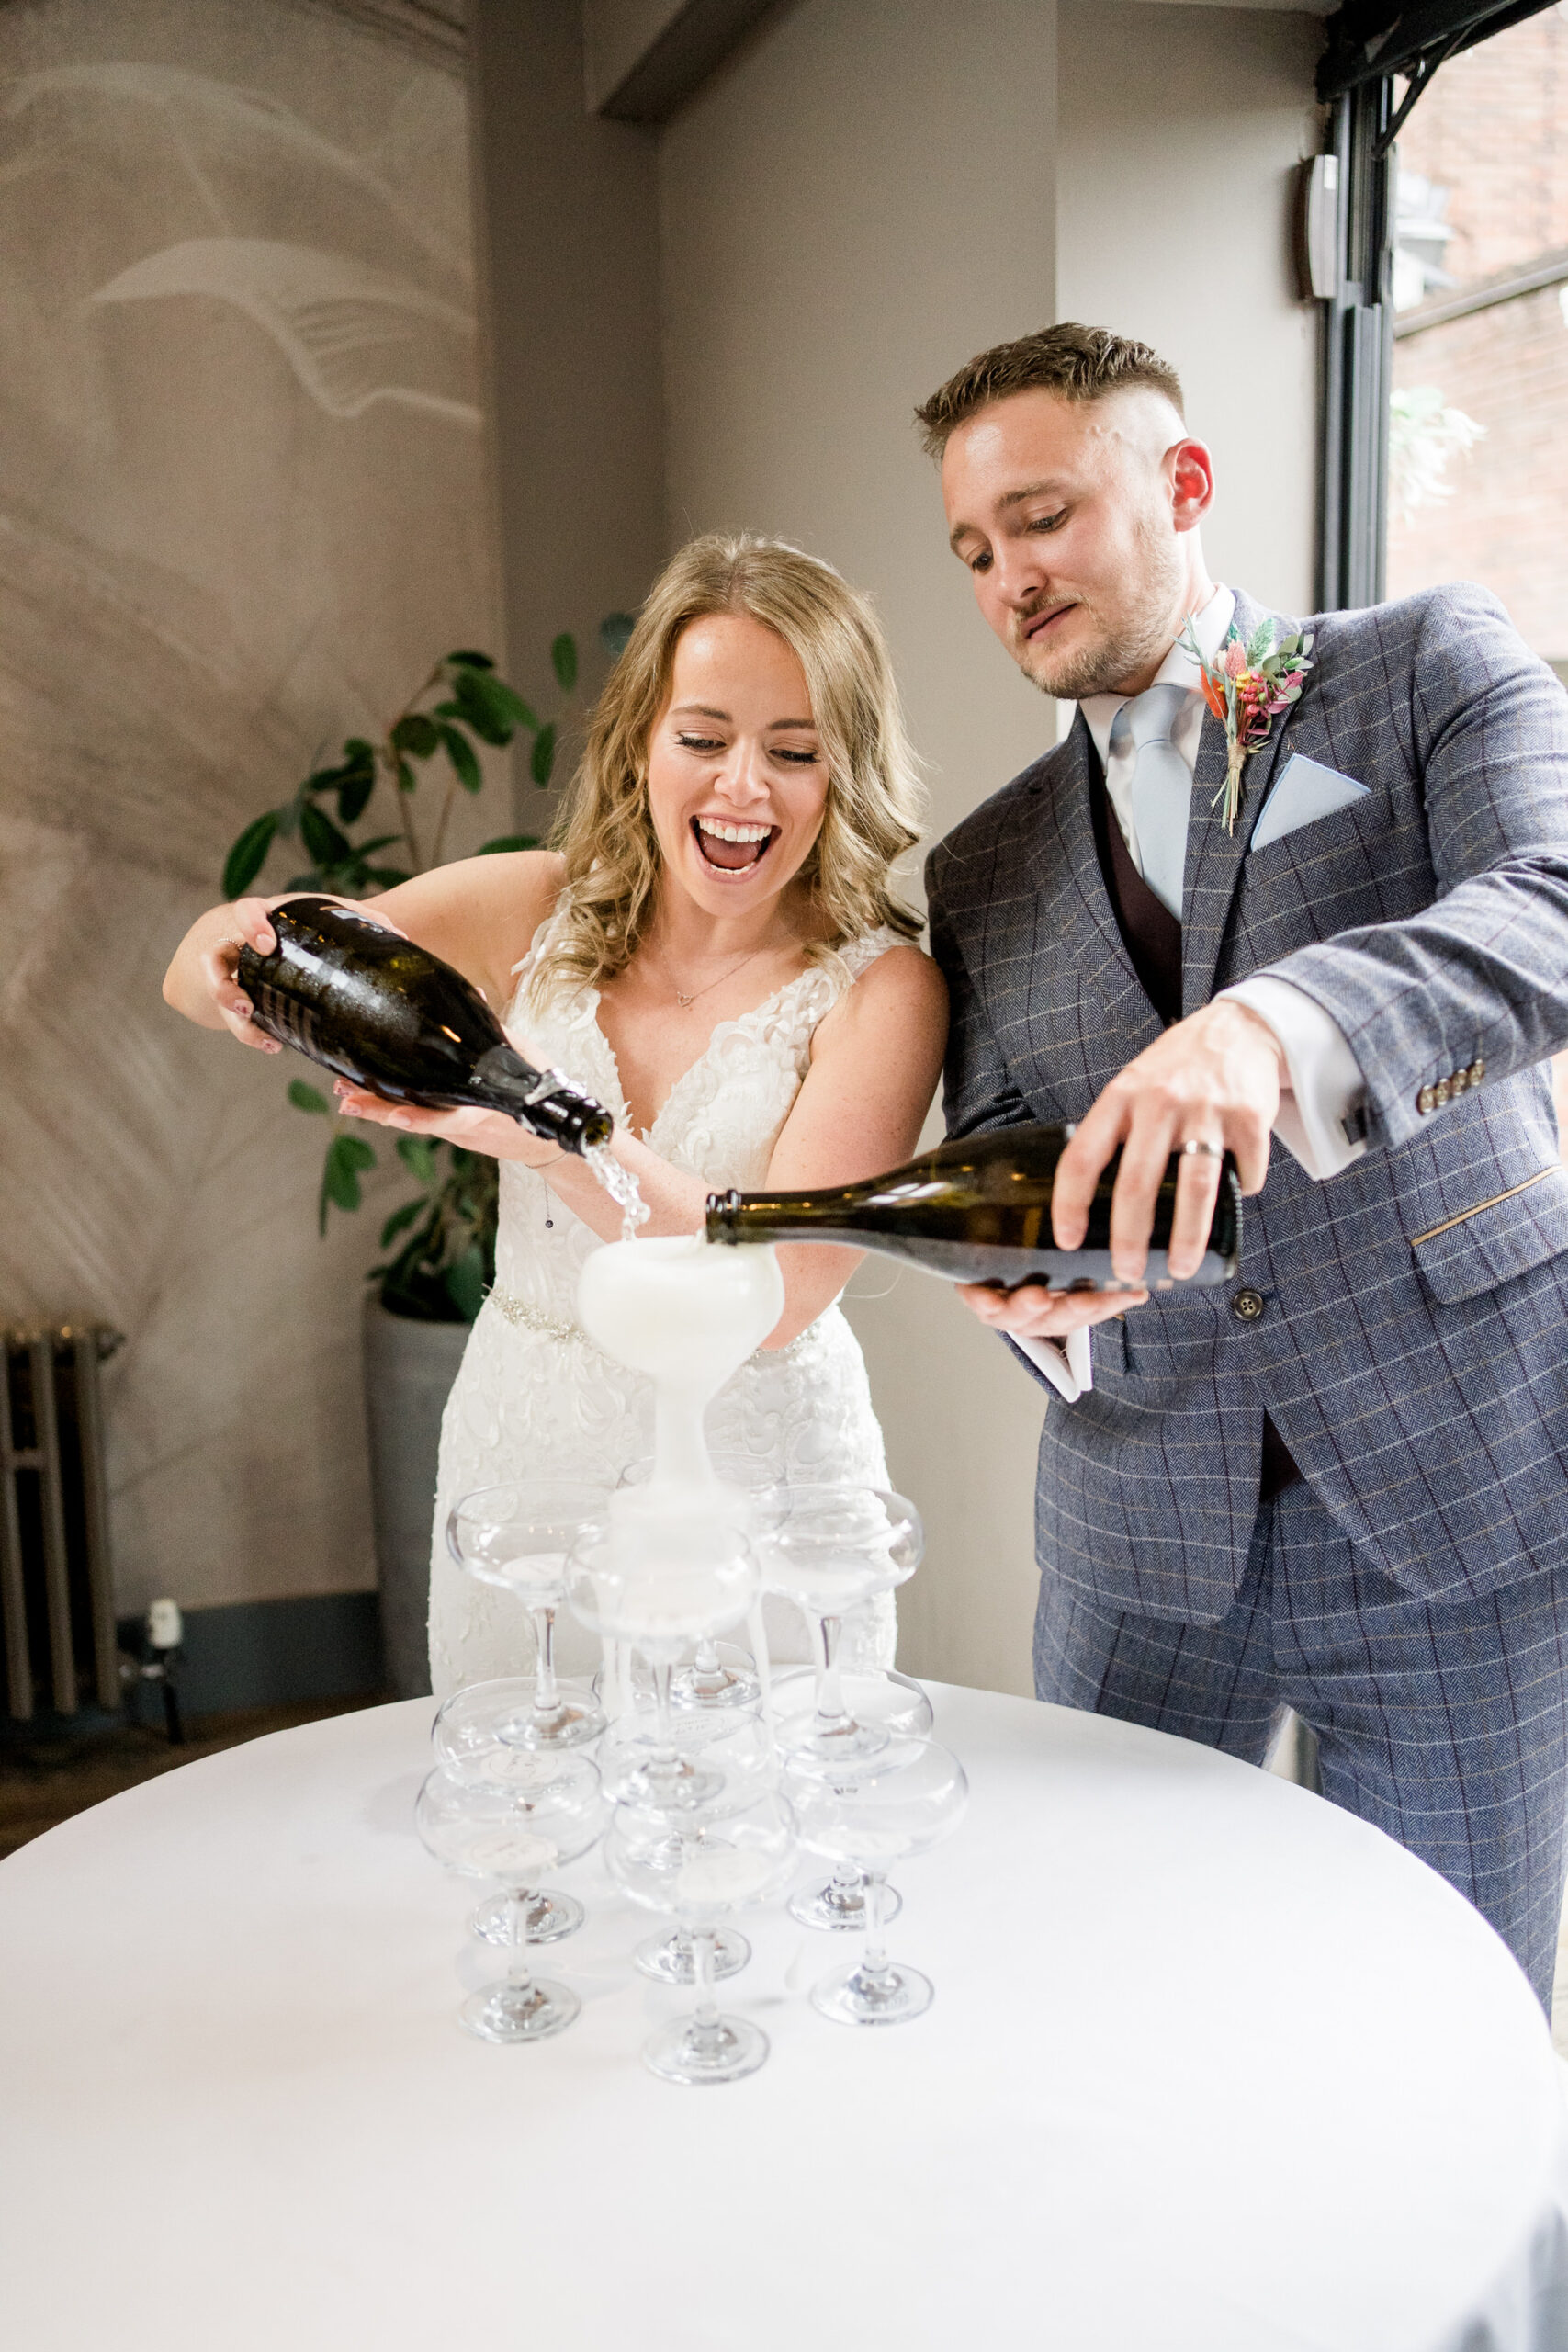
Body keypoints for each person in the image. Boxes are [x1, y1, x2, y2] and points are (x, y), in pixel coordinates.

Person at [919, 322, 1568, 2009]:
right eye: (975, 550)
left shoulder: (1416, 666)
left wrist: (1276, 1026)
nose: (1006, 578)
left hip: (1455, 1508)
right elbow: (997, 1128)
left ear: (1181, 483)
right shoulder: (979, 866)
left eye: (1041, 517)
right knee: (1104, 2010)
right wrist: (1031, 1276)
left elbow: (1552, 905)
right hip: (1140, 1539)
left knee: (1448, 2028)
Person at [164, 533, 947, 1695]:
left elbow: (776, 1294)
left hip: (759, 1478)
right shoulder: (535, 903)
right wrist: (232, 962)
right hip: (528, 1456)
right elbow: (242, 944)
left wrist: (555, 1133)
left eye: (795, 750)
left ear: (845, 770)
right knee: (525, 1817)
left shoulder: (884, 990)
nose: (743, 785)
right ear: (641, 743)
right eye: (702, 738)